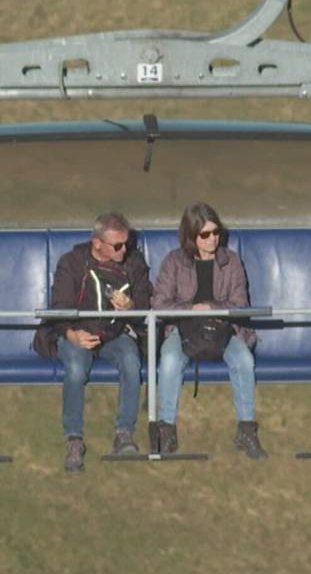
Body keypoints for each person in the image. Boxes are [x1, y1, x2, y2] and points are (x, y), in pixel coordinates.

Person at [152, 202, 268, 459]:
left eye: (216, 233)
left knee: (245, 361)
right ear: (191, 236)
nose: (212, 239)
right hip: (182, 328)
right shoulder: (174, 262)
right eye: (205, 234)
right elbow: (159, 304)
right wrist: (192, 310)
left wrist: (211, 307)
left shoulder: (231, 262)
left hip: (223, 328)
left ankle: (247, 430)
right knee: (169, 360)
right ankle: (166, 429)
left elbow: (240, 304)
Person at [49, 212, 151, 472]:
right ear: (97, 244)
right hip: (78, 333)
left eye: (126, 243)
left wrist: (131, 307)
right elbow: (58, 308)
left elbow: (145, 305)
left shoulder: (134, 264)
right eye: (117, 245)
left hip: (113, 333)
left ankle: (124, 433)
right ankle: (74, 439)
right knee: (75, 370)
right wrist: (72, 334)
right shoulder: (72, 263)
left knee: (131, 360)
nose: (124, 249)